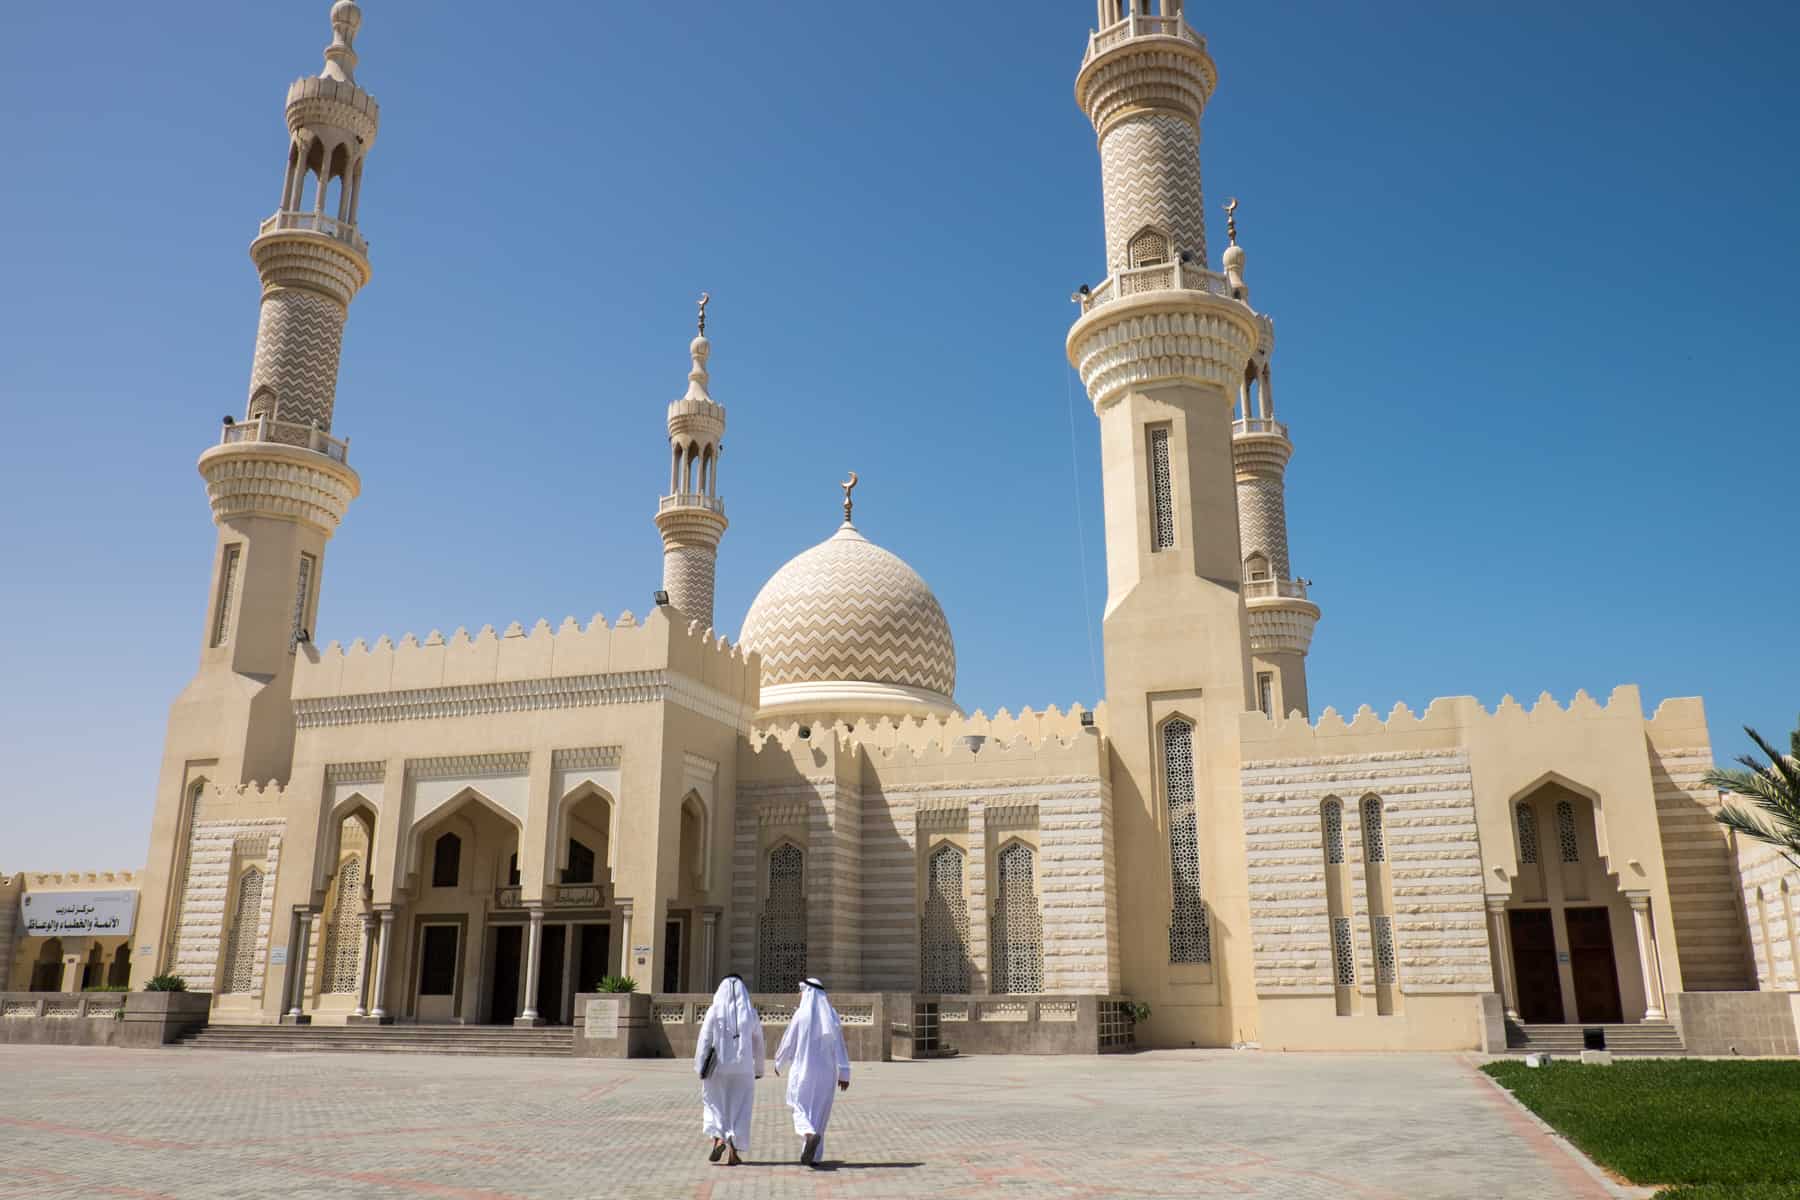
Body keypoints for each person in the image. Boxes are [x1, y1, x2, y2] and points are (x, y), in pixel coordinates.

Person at [771, 977, 851, 1167]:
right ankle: (813, 1157)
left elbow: (789, 1041)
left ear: (808, 992)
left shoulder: (801, 1014)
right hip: (827, 1073)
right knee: (819, 1114)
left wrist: (779, 1062)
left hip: (803, 1070)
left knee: (798, 1105)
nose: (799, 995)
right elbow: (840, 1045)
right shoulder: (831, 1014)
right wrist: (844, 1073)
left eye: (801, 991)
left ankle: (807, 1134)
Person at [694, 974, 764, 1166]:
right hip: (743, 1070)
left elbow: (705, 1040)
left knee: (714, 1104)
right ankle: (733, 1146)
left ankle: (718, 1138)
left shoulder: (714, 1011)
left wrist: (700, 1066)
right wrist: (759, 1069)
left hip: (717, 1069)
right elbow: (758, 1043)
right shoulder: (750, 1013)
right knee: (740, 1108)